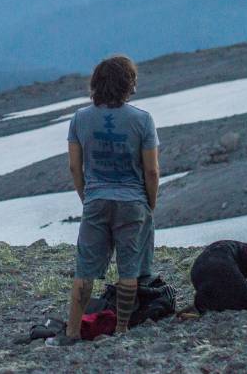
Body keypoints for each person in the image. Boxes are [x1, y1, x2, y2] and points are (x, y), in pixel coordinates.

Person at [48, 55, 160, 345]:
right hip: (133, 201)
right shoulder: (143, 120)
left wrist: (86, 196)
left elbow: (75, 166)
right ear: (127, 84)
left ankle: (72, 331)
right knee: (129, 269)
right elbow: (152, 170)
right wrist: (150, 202)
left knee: (85, 269)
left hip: (96, 199)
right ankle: (121, 328)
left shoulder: (79, 119)